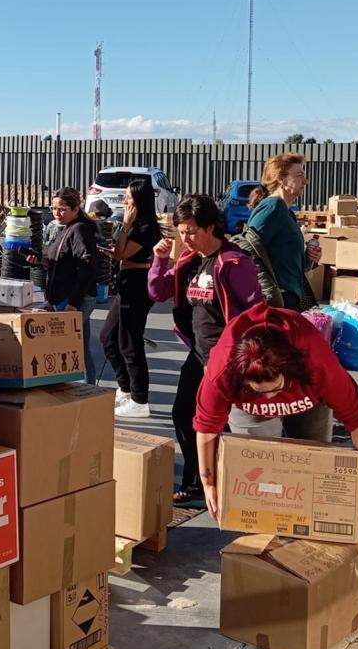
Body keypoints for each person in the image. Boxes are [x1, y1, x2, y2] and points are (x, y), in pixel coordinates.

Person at [194, 302, 358, 521]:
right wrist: (208, 484)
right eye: (260, 391)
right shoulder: (222, 370)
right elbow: (206, 429)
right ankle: (262, 529)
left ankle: (306, 524)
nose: (270, 397)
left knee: (314, 467)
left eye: (276, 389)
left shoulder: (316, 360)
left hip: (308, 398)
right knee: (254, 475)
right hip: (248, 406)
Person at [148, 194, 263, 504]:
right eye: (181, 231)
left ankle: (223, 483)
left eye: (192, 231)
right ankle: (199, 478)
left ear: (211, 227)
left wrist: (244, 354)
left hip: (226, 358)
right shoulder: (189, 260)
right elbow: (157, 291)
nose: (186, 238)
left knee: (216, 421)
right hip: (198, 353)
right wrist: (160, 261)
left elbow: (257, 311)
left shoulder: (234, 262)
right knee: (183, 414)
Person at [99, 179, 163, 418]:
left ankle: (139, 399)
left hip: (137, 283)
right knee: (108, 336)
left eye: (128, 197)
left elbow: (120, 254)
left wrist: (125, 224)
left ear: (139, 200)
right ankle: (126, 388)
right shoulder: (137, 224)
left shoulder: (145, 227)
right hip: (127, 282)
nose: (124, 200)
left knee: (129, 342)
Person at [31, 188, 99, 383]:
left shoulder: (79, 229)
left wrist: (73, 303)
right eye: (53, 208)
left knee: (67, 345)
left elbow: (87, 266)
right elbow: (67, 262)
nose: (56, 213)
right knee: (80, 345)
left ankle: (84, 388)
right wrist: (42, 261)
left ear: (76, 208)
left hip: (72, 298)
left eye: (62, 209)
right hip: (67, 297)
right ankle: (88, 387)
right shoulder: (68, 228)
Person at [247, 154, 320, 311]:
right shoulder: (272, 207)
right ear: (281, 179)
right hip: (278, 300)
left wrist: (308, 258)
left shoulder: (286, 211)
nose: (305, 181)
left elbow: (285, 258)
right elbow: (247, 248)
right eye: (299, 175)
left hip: (290, 297)